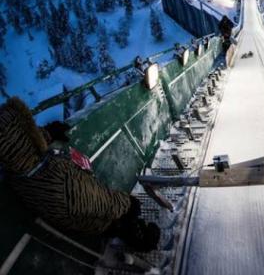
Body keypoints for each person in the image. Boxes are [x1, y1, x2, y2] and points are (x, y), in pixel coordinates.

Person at [0, 97, 160, 252]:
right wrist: (128, 204)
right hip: (103, 221)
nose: (34, 127)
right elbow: (97, 200)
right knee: (125, 216)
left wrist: (48, 134)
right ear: (23, 137)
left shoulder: (20, 172)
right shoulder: (58, 184)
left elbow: (23, 151)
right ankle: (136, 238)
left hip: (80, 208)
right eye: (30, 128)